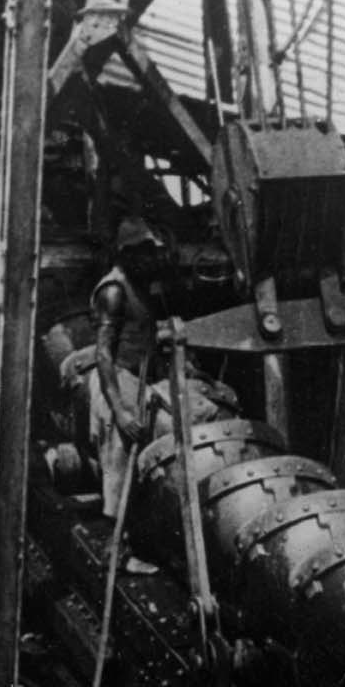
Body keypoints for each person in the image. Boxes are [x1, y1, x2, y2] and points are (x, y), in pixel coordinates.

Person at [61, 216, 235, 518]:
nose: (150, 259)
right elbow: (104, 354)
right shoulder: (113, 291)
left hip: (142, 375)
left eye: (152, 252)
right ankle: (117, 521)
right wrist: (119, 411)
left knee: (206, 406)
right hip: (115, 377)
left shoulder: (140, 284)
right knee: (123, 439)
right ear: (126, 254)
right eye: (144, 253)